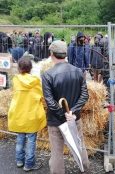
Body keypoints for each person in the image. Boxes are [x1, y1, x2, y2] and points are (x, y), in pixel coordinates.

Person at [42, 40, 89, 174]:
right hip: (74, 118)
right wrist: (72, 113)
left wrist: (64, 114)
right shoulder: (78, 71)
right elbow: (85, 95)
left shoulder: (47, 75)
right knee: (80, 146)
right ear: (65, 54)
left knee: (57, 153)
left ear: (51, 54)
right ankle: (86, 170)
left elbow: (50, 102)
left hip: (56, 120)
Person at [8, 55, 46, 172]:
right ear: (30, 68)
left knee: (20, 139)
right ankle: (29, 165)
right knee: (31, 142)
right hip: (32, 117)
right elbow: (41, 97)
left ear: (19, 68)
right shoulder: (36, 82)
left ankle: (19, 161)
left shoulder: (15, 80)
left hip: (19, 116)